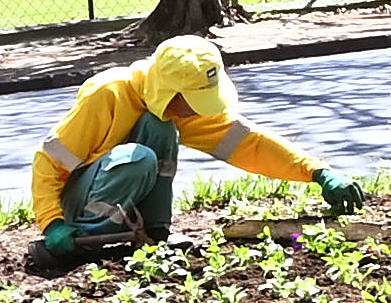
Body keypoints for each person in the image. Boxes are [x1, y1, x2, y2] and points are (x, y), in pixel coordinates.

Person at [21, 35, 363, 271]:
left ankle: (155, 234)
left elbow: (249, 143)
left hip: (123, 189)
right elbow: (50, 161)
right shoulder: (108, 94)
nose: (200, 111)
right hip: (77, 203)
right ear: (168, 91)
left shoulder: (169, 110)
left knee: (159, 129)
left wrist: (317, 172)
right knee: (140, 156)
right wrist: (53, 224)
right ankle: (81, 242)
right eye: (194, 102)